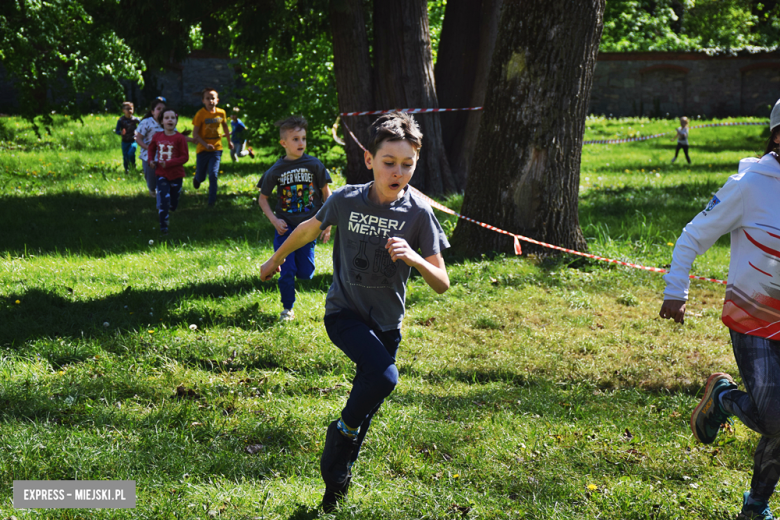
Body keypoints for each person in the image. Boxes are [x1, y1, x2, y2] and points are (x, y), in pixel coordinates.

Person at [260, 112, 451, 511]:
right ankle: (340, 433)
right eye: (388, 162)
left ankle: (336, 487)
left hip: (387, 324)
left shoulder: (419, 213)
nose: (398, 172)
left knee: (366, 405)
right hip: (344, 313)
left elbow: (441, 282)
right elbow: (308, 229)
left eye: (407, 164)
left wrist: (415, 258)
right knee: (384, 377)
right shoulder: (346, 199)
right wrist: (275, 259)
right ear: (369, 160)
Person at [660, 99, 780, 520]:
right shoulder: (749, 185)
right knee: (775, 417)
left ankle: (755, 507)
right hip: (754, 321)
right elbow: (693, 235)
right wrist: (676, 289)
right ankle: (723, 397)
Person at [257, 115, 333, 321]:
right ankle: (287, 308)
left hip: (309, 227)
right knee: (287, 269)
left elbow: (327, 194)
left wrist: (327, 223)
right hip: (286, 228)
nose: (301, 143)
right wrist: (275, 220)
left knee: (306, 273)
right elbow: (262, 199)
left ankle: (291, 269)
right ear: (284, 143)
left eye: (303, 138)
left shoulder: (315, 165)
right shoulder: (276, 169)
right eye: (296, 139)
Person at [148, 108, 189, 234]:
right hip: (161, 173)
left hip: (176, 174)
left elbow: (185, 157)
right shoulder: (157, 136)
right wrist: (151, 161)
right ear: (161, 121)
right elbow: (151, 149)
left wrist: (169, 163)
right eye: (166, 118)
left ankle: (173, 205)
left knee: (174, 199)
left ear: (176, 121)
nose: (170, 120)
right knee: (164, 199)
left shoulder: (180, 138)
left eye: (173, 118)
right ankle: (163, 227)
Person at [192, 89, 232, 206]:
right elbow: (195, 135)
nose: (210, 101)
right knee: (202, 177)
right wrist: (205, 145)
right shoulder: (200, 114)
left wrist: (229, 142)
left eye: (213, 98)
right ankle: (197, 178)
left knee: (213, 174)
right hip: (203, 150)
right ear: (203, 101)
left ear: (217, 100)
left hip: (216, 149)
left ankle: (211, 202)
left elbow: (225, 127)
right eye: (208, 98)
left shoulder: (221, 113)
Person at [135, 97, 168, 198]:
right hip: (148, 156)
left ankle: (163, 193)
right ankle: (152, 190)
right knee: (151, 179)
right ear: (153, 112)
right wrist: (147, 147)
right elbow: (138, 138)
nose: (161, 111)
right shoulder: (146, 122)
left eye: (163, 109)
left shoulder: (168, 121)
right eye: (158, 109)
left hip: (164, 155)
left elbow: (175, 136)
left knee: (164, 177)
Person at [114, 101, 140, 173]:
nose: (130, 111)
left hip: (133, 140)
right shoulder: (121, 120)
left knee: (131, 153)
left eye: (131, 108)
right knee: (125, 156)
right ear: (123, 110)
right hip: (125, 141)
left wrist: (138, 132)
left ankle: (133, 166)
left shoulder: (135, 120)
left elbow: (142, 126)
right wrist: (121, 133)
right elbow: (117, 130)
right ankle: (127, 170)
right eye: (127, 109)